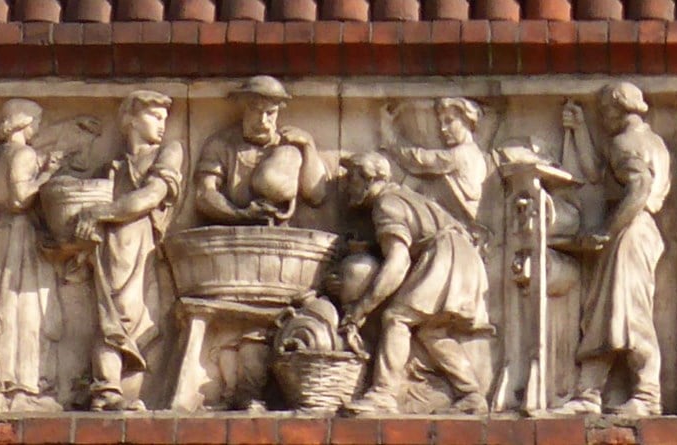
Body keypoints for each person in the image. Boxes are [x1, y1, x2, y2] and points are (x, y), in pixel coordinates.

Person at [337, 151, 495, 415]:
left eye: (351, 178)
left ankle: (383, 394)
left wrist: (361, 308)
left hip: (446, 256)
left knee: (396, 318)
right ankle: (471, 393)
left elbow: (398, 264)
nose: (346, 185)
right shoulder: (405, 196)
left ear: (369, 178)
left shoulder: (386, 204)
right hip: (465, 258)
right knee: (431, 331)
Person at [558, 82, 673, 417]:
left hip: (630, 231)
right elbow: (596, 172)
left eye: (605, 110)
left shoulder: (626, 143)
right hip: (635, 231)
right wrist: (579, 130)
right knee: (605, 312)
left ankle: (647, 394)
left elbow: (639, 189)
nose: (603, 117)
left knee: (629, 312)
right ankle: (589, 392)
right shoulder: (652, 142)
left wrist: (605, 232)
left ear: (617, 109)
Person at [70, 90, 184, 411]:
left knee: (130, 315)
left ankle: (115, 390)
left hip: (140, 247)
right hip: (111, 248)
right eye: (154, 117)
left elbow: (152, 195)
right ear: (130, 119)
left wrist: (100, 213)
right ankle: (106, 390)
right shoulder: (113, 167)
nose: (162, 125)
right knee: (111, 314)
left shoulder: (169, 152)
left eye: (165, 118)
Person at [0, 99, 65, 411]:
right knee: (27, 309)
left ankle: (2, 382)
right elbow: (20, 197)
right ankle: (23, 387)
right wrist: (48, 175)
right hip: (20, 234)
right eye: (36, 121)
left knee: (4, 304)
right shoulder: (24, 154)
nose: (38, 127)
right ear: (22, 122)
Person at [193, 75, 329, 227]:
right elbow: (204, 194)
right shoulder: (221, 144)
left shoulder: (291, 144)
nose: (263, 120)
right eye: (255, 110)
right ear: (243, 108)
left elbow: (316, 196)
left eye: (270, 113)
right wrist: (241, 215)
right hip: (232, 236)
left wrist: (309, 146)